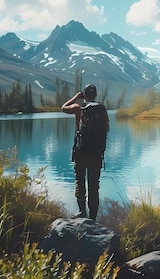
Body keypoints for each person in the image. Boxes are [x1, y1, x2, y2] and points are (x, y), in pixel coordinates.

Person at [62, 84, 109, 220]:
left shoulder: (78, 108)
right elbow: (107, 128)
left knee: (80, 181)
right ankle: (93, 217)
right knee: (94, 184)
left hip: (80, 152)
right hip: (96, 154)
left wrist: (76, 97)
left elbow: (63, 108)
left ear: (84, 94)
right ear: (95, 95)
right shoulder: (101, 109)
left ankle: (82, 212)